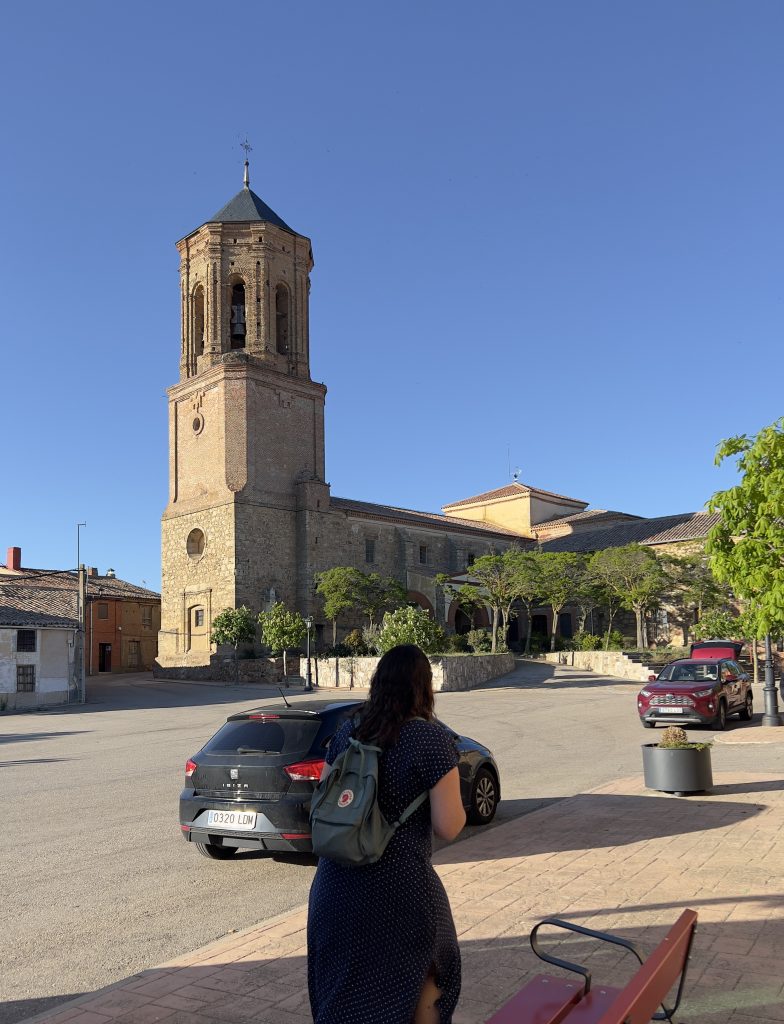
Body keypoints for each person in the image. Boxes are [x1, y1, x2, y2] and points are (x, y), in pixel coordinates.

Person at [307, 643, 466, 1024]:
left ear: (377, 684)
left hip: (334, 889)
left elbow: (322, 803)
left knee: (343, 996)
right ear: (423, 688)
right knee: (430, 971)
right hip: (398, 890)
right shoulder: (430, 739)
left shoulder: (347, 733)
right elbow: (448, 826)